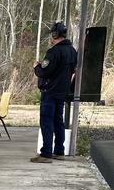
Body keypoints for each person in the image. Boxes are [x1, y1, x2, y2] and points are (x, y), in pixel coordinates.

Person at [31, 21, 78, 163]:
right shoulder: (72, 51)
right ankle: (59, 151)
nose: (51, 38)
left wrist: (36, 67)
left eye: (52, 34)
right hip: (62, 91)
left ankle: (46, 154)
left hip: (50, 91)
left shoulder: (54, 52)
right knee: (59, 121)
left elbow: (44, 72)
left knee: (46, 121)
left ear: (55, 34)